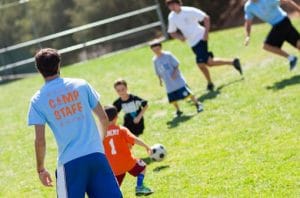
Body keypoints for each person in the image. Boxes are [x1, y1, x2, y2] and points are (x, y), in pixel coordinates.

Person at [27, 48, 122, 198]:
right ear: (59, 65)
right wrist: (97, 144)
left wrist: (41, 169)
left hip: (70, 163)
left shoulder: (37, 100)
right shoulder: (81, 85)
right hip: (96, 156)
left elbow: (40, 141)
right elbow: (103, 118)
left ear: (39, 70)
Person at [165, 0, 243, 92]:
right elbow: (171, 32)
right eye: (170, 6)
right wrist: (180, 37)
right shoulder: (172, 17)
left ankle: (210, 83)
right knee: (209, 63)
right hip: (192, 43)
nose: (172, 7)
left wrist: (206, 33)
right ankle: (233, 62)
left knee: (200, 63)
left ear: (178, 3)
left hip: (200, 37)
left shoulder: (189, 11)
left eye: (173, 4)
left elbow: (206, 18)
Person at [103, 105, 154, 196]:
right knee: (142, 167)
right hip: (128, 163)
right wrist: (147, 146)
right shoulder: (121, 130)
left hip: (113, 167)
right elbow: (135, 139)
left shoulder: (101, 134)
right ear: (116, 117)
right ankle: (139, 187)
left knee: (115, 188)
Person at [150, 40, 204, 117]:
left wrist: (175, 73)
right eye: (154, 50)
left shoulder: (168, 55)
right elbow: (157, 71)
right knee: (172, 98)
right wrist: (160, 80)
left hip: (177, 80)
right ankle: (178, 110)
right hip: (168, 82)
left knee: (187, 93)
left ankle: (198, 104)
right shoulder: (154, 60)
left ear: (161, 47)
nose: (156, 51)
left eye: (157, 49)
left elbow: (176, 64)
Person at [244, 0, 300, 70]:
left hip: (282, 22)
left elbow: (287, 1)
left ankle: (292, 58)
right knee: (298, 44)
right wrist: (247, 36)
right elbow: (248, 22)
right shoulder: (249, 7)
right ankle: (292, 58)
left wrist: (298, 10)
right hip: (279, 24)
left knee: (267, 46)